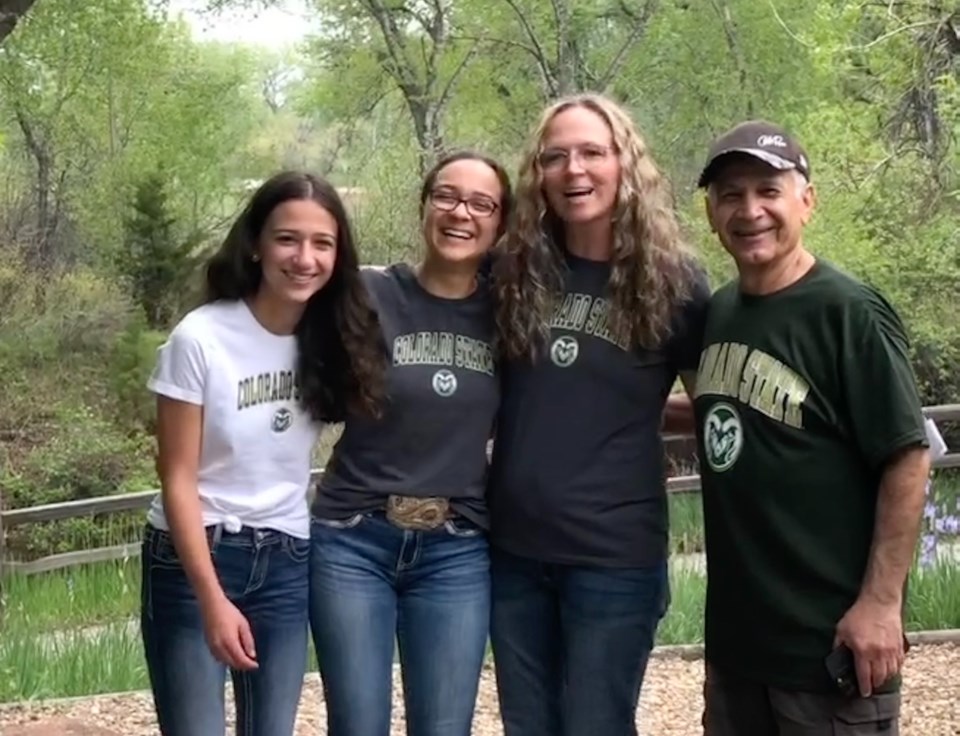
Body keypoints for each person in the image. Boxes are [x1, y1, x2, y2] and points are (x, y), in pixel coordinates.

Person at [692, 120, 931, 735]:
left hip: (829, 644)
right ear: (712, 212)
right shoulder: (720, 311)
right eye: (731, 195)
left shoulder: (848, 312)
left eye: (769, 191)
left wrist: (880, 605)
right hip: (741, 646)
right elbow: (733, 407)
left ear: (807, 199)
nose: (750, 211)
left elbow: (906, 456)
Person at [488, 93, 710, 736]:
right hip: (514, 553)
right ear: (539, 175)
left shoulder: (676, 282)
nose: (574, 170)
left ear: (624, 164)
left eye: (592, 152)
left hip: (615, 557)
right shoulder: (511, 270)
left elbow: (709, 409)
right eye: (555, 156)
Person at [140, 171, 385, 736]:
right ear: (255, 245)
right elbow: (177, 478)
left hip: (286, 558)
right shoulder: (199, 339)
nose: (304, 258)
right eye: (287, 239)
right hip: (196, 555)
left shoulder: (333, 336)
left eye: (322, 243)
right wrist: (211, 599)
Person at [308, 150, 512, 736]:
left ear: (500, 222)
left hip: (456, 548)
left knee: (446, 727)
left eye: (481, 203)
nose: (461, 213)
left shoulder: (511, 313)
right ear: (424, 207)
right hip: (353, 540)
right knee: (358, 723)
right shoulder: (366, 293)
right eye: (446, 196)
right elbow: (279, 325)